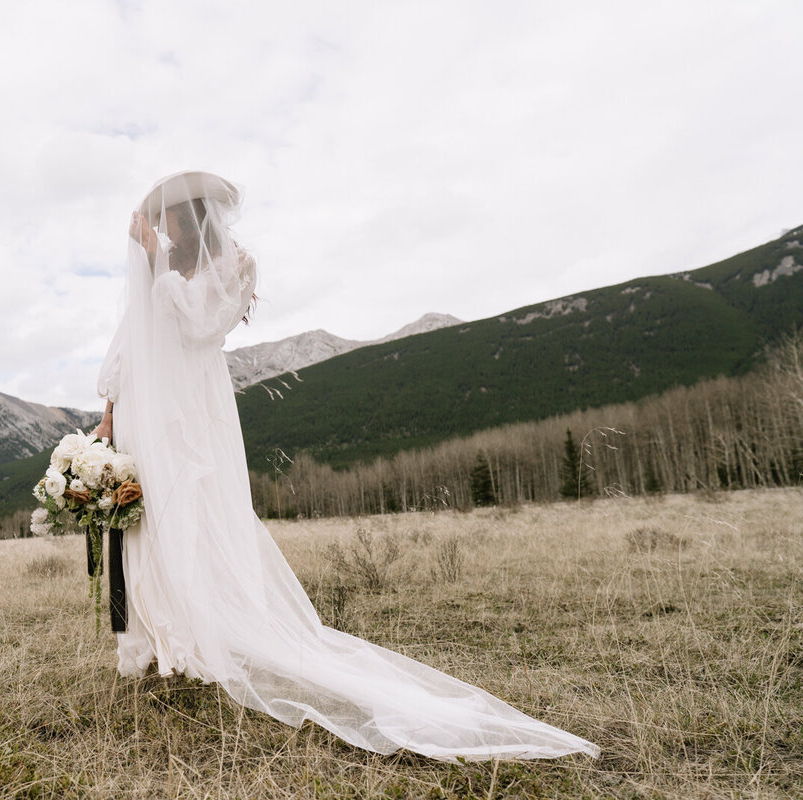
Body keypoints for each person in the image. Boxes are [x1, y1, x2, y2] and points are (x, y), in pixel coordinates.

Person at [92, 170, 598, 761]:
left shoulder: (230, 264)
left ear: (195, 215)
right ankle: (157, 650)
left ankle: (200, 643)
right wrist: (107, 415)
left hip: (190, 411)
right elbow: (129, 344)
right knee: (147, 520)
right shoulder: (159, 263)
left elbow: (202, 324)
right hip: (144, 412)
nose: (163, 225)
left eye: (173, 214)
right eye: (159, 216)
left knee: (193, 515)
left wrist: (154, 267)